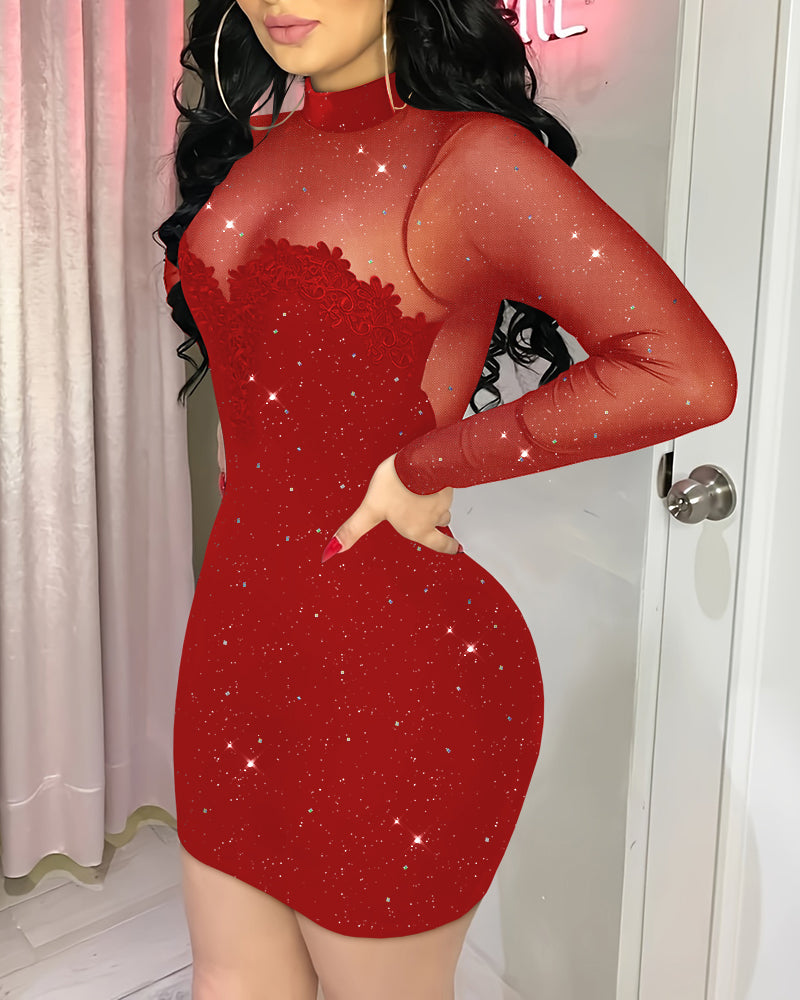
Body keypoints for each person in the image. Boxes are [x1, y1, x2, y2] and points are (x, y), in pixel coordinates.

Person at [156, 1, 737, 997]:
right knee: (232, 980)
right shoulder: (258, 144)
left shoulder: (467, 161)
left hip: (395, 676)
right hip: (232, 650)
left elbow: (684, 372)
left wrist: (428, 464)